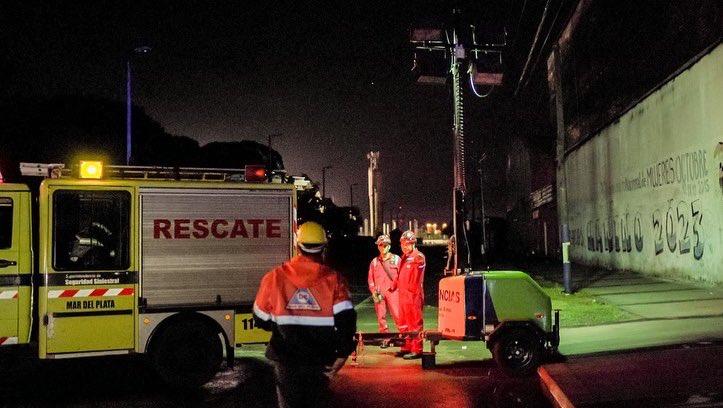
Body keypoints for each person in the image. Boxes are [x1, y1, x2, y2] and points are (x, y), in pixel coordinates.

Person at [253, 221, 357, 408]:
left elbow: (260, 318)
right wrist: (342, 353)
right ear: (324, 247)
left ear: (297, 245)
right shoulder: (335, 280)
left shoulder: (274, 277)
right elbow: (346, 321)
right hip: (320, 359)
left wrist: (282, 323)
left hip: (285, 359)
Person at [393, 230, 426, 359]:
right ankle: (405, 347)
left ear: (413, 244)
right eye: (402, 244)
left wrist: (412, 292)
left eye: (407, 244)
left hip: (413, 296)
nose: (404, 246)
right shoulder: (404, 257)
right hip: (403, 295)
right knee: (403, 323)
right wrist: (393, 287)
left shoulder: (418, 257)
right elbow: (399, 275)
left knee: (414, 323)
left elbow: (417, 274)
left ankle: (417, 349)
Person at [367, 235, 402, 340]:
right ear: (378, 246)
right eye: (381, 245)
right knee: (381, 316)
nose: (383, 247)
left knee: (397, 314)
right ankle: (384, 337)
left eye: (385, 245)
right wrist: (373, 292)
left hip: (393, 292)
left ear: (389, 246)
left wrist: (395, 286)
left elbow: (402, 276)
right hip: (379, 293)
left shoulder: (396, 259)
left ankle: (404, 336)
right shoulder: (374, 262)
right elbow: (370, 278)